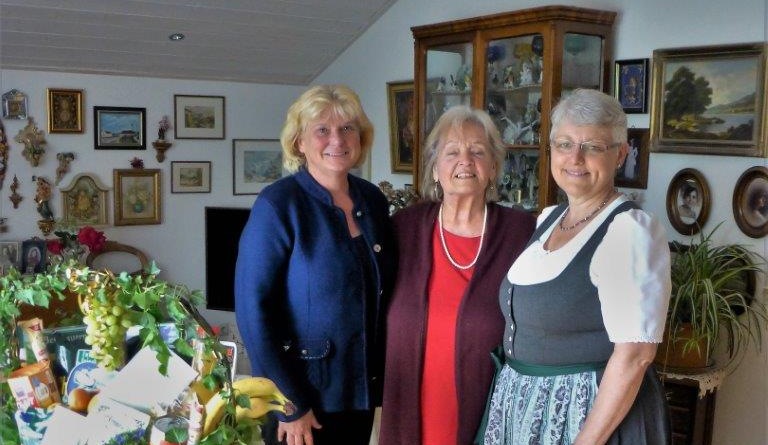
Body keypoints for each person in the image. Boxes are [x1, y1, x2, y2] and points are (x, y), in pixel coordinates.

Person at [482, 89, 671, 445]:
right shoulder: (550, 219)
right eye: (565, 144)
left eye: (593, 147)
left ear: (620, 154)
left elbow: (635, 355)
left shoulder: (628, 231)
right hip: (523, 409)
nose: (575, 158)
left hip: (587, 418)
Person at [235, 85, 395, 445]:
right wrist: (289, 404)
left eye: (347, 128)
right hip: (302, 398)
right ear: (299, 142)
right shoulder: (279, 205)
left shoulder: (372, 200)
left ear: (361, 138)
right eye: (322, 129)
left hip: (358, 393)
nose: (337, 139)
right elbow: (252, 311)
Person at [380, 105, 535, 445]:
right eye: (452, 152)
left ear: (493, 168)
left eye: (477, 152)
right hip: (410, 405)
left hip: (490, 409)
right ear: (435, 169)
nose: (465, 161)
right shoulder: (404, 229)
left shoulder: (522, 233)